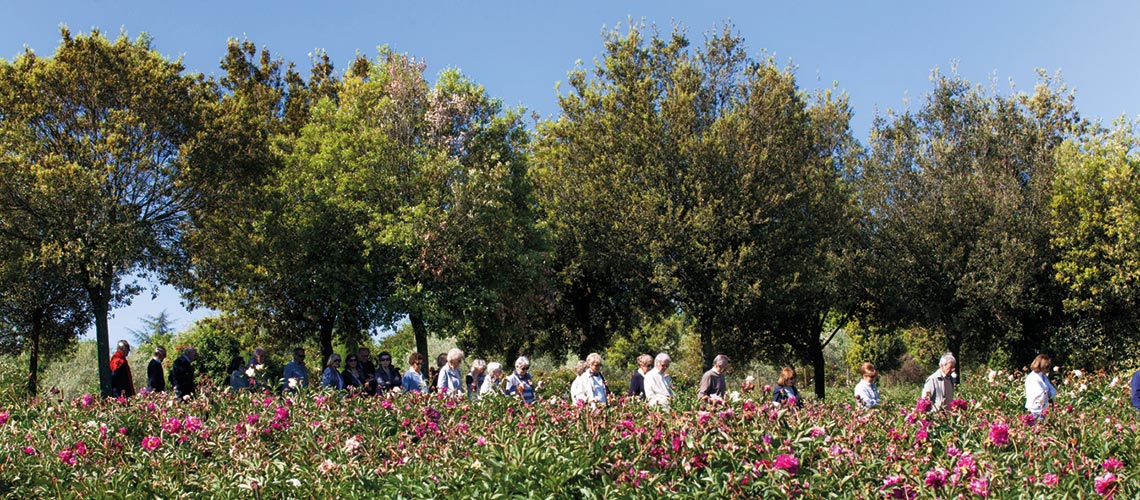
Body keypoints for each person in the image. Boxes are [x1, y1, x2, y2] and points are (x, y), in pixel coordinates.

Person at [1024, 354, 1057, 420]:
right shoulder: (1032, 377)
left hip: (1045, 410)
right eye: (1046, 367)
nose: (1047, 370)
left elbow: (1053, 391)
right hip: (1035, 410)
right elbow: (1040, 394)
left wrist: (1049, 394)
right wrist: (1048, 394)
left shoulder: (1043, 377)